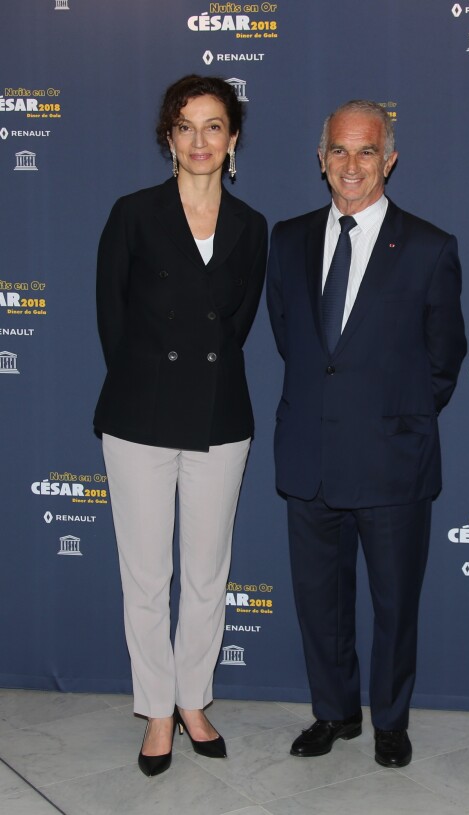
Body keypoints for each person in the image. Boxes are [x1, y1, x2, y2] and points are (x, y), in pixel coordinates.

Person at [267, 100, 466, 768]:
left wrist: (396, 417)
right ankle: (333, 712)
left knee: (393, 603)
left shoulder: (431, 247)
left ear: (391, 159)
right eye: (340, 152)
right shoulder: (288, 239)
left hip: (392, 463)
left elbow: (444, 357)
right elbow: (292, 339)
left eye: (367, 151)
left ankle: (390, 719)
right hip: (309, 460)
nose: (353, 166)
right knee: (319, 602)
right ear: (321, 159)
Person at [94, 74, 267, 777]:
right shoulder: (133, 214)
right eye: (186, 126)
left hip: (220, 414)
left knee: (205, 573)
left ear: (233, 140)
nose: (200, 141)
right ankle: (157, 709)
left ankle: (195, 697)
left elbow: (239, 323)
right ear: (168, 137)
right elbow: (112, 319)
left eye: (214, 126)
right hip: (138, 412)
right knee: (145, 573)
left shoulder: (251, 226)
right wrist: (149, 384)